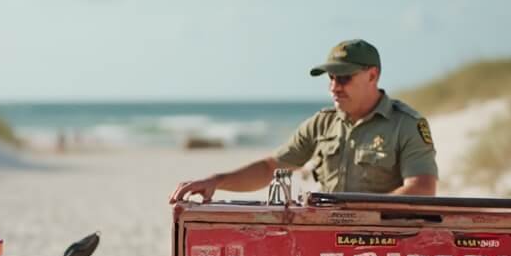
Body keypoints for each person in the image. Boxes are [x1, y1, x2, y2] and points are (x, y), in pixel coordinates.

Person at [170, 39, 437, 203]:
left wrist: (362, 212)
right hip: (326, 241)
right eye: (330, 78)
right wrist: (216, 181)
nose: (334, 87)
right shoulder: (322, 124)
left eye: (343, 78)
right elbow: (270, 168)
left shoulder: (406, 125)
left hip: (382, 245)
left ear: (372, 75)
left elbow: (422, 189)